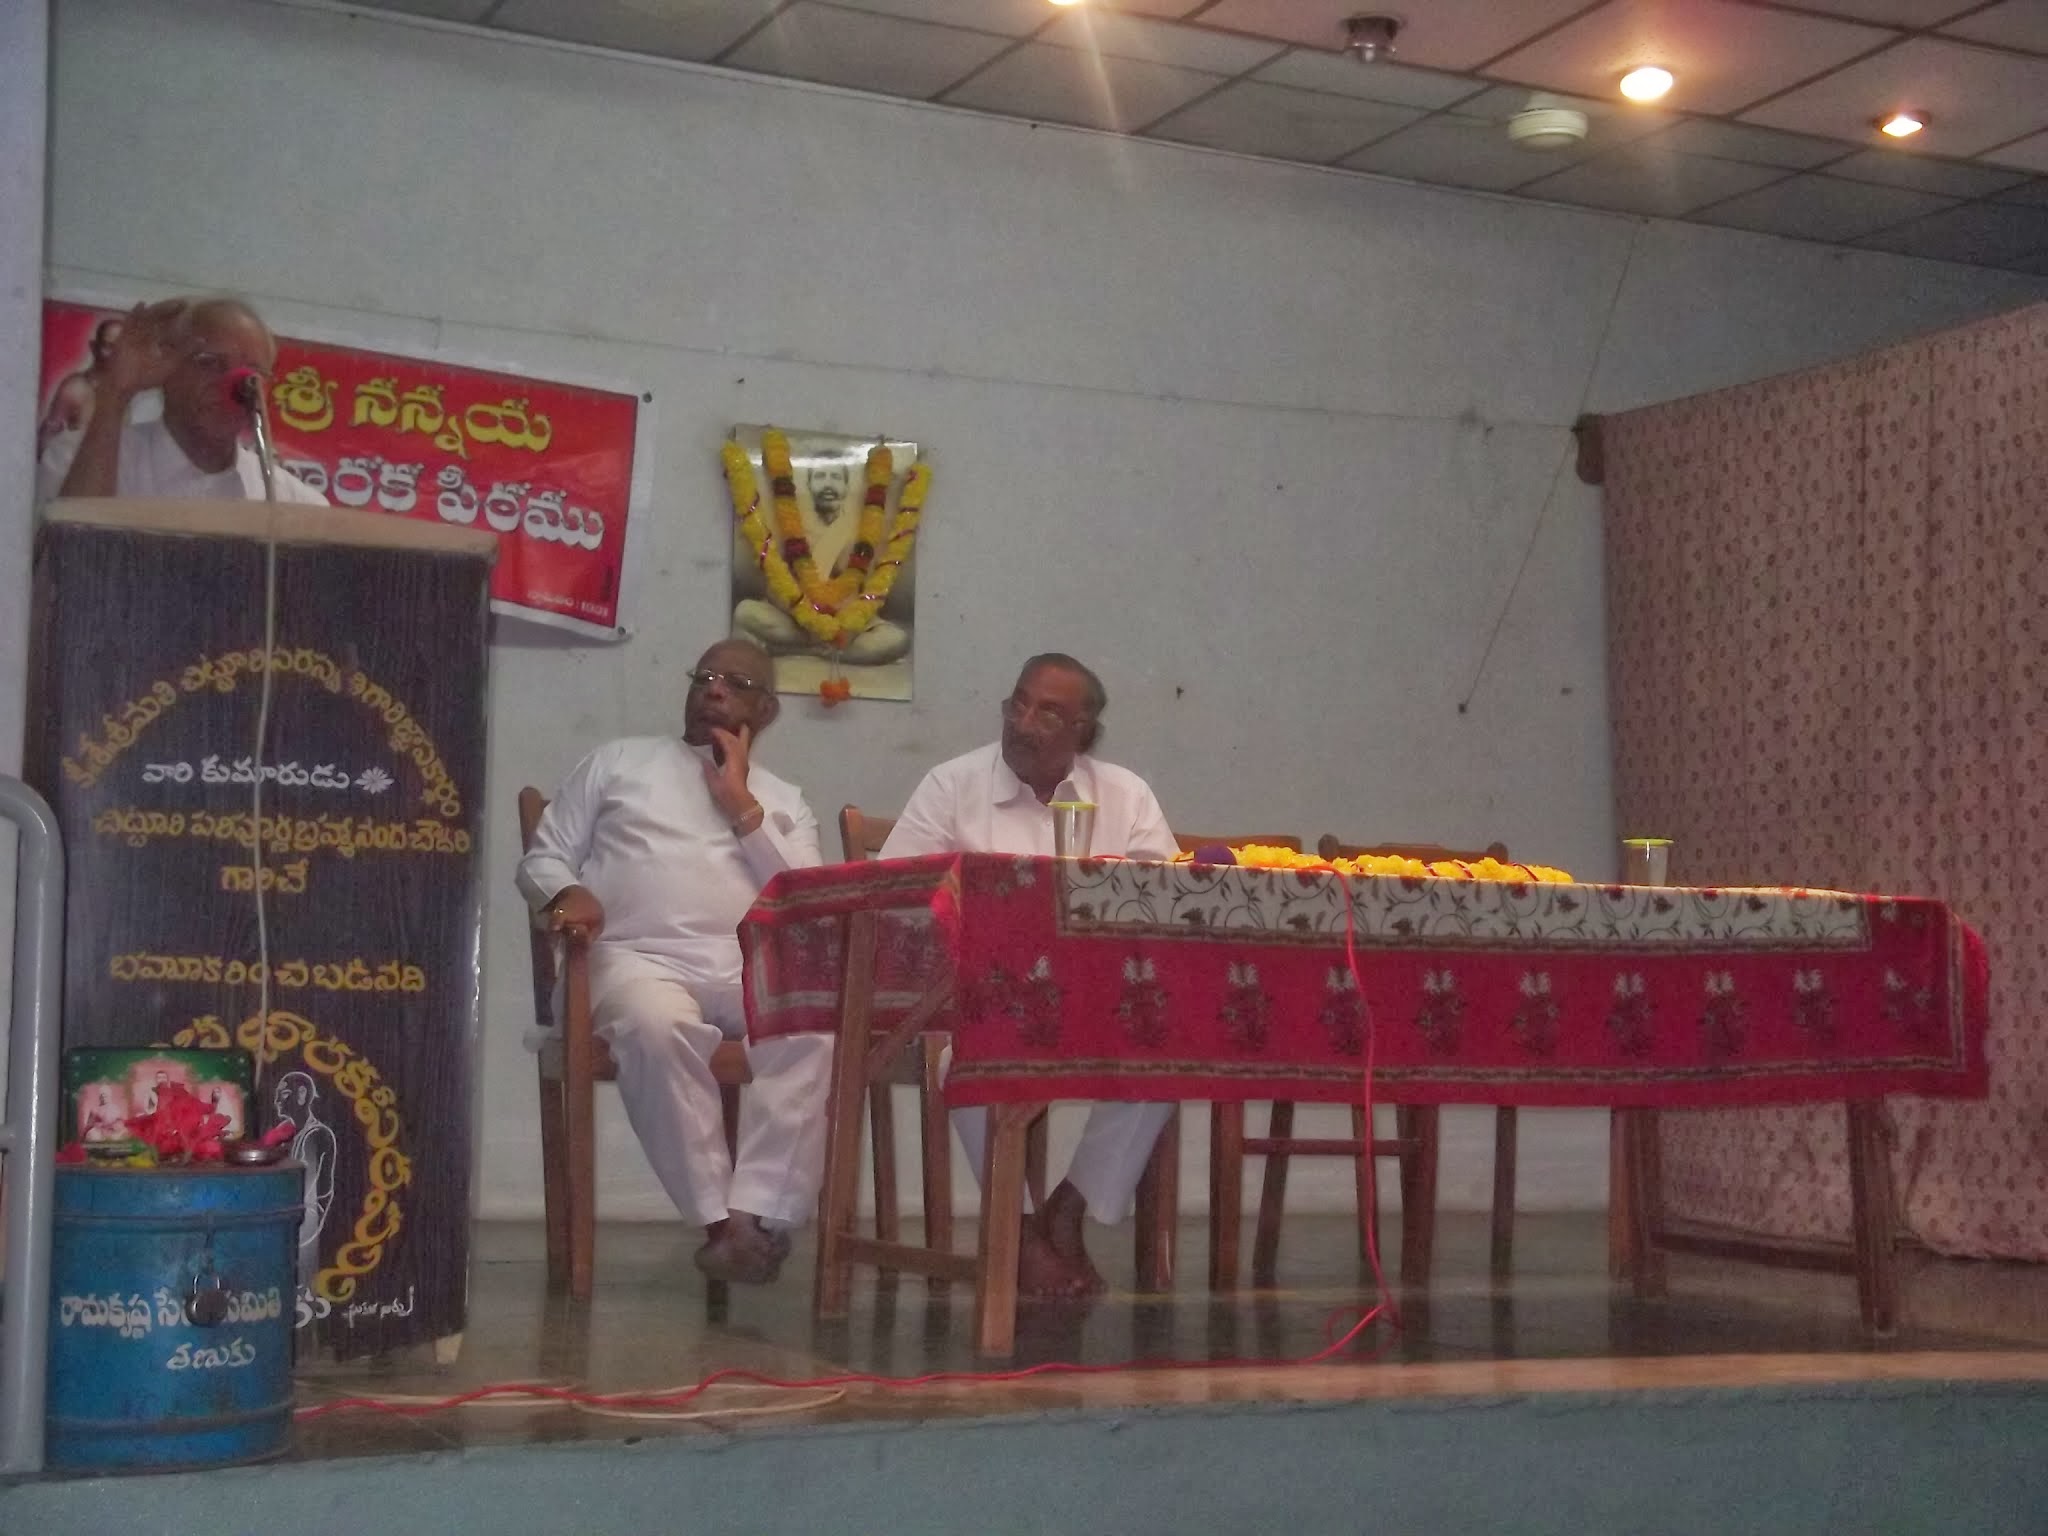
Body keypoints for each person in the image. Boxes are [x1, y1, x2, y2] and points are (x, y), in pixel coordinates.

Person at [517, 639, 829, 1285]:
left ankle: (760, 1214)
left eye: (736, 683)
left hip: (743, 970)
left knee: (816, 1028)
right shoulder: (618, 762)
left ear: (765, 711)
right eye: (705, 675)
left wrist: (741, 806)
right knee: (658, 1026)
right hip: (632, 960)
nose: (714, 689)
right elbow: (543, 858)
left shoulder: (783, 799)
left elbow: (805, 900)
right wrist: (567, 893)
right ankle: (721, 1226)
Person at [881, 653, 1179, 1298]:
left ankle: (1068, 1210)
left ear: (1083, 731)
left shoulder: (1125, 795)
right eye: (1018, 703)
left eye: (1047, 712)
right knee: (972, 1055)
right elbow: (893, 895)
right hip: (970, 1001)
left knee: (1168, 1050)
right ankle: (1015, 1232)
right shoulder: (951, 786)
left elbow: (1165, 906)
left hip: (1095, 1002)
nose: (1022, 721)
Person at [36, 297, 327, 506]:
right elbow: (72, 557)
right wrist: (114, 394)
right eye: (209, 363)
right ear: (167, 370)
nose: (233, 385)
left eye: (251, 374)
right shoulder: (75, 456)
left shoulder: (296, 505)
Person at [37, 315, 122, 457]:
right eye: (108, 346)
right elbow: (45, 440)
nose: (115, 355)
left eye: (121, 348)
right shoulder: (76, 387)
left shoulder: (125, 389)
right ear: (94, 347)